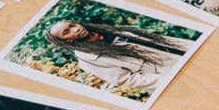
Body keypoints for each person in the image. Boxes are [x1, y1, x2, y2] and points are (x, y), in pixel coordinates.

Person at [43, 18, 189, 92]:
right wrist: (170, 79)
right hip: (177, 76)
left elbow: (160, 41)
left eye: (72, 25)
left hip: (185, 55)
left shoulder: (108, 31)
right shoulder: (89, 60)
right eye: (66, 32)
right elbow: (127, 80)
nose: (75, 29)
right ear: (66, 40)